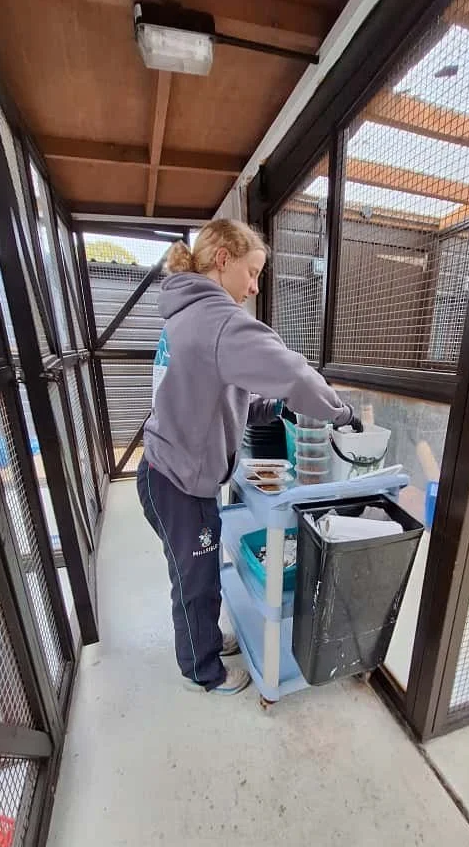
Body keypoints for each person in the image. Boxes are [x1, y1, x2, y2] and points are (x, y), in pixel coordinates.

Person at [137, 219, 362, 696]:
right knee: (193, 579)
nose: (254, 286)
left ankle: (205, 639)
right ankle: (202, 671)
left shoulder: (184, 313)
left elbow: (217, 396)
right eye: (253, 271)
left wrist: (272, 407)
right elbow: (297, 377)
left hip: (167, 472)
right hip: (179, 482)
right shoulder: (218, 319)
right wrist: (339, 412)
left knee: (193, 570)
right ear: (224, 259)